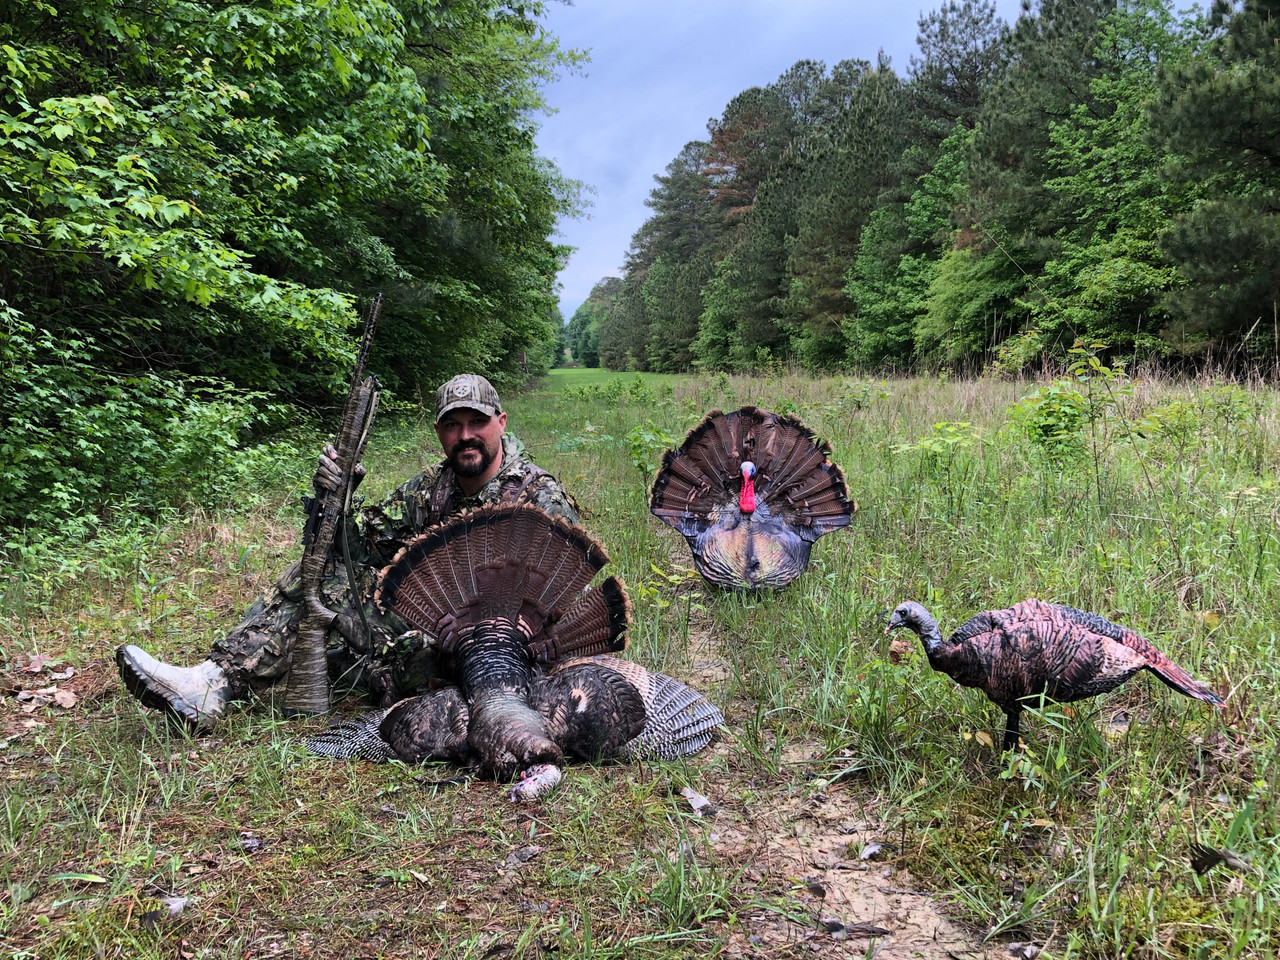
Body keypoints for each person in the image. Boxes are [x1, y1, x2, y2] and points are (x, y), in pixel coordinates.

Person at [116, 374, 578, 731]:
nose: (465, 436)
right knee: (320, 576)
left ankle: (348, 669)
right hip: (436, 626)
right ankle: (213, 682)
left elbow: (564, 600)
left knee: (377, 660)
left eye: (477, 422)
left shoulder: (538, 496)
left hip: (506, 652)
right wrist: (339, 496)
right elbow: (357, 549)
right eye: (452, 425)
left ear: (500, 423)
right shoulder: (430, 489)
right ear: (438, 430)